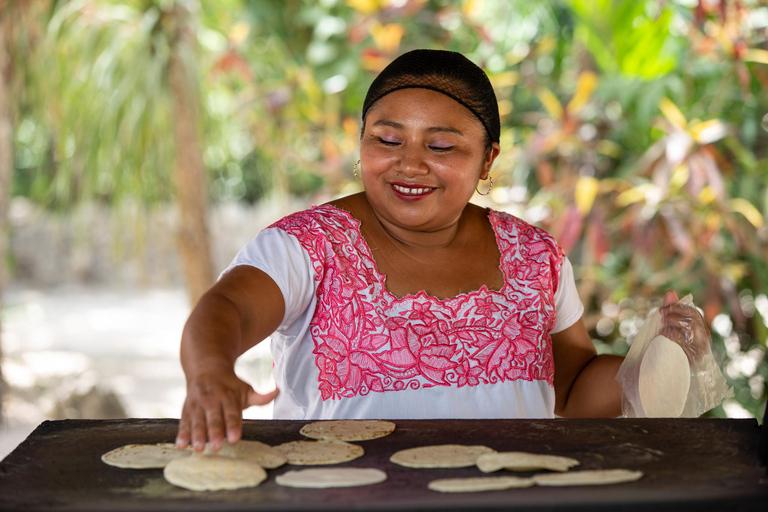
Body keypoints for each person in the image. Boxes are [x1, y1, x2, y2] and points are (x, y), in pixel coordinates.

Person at [175, 49, 709, 452]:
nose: (410, 164)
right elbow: (226, 308)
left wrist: (657, 359)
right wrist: (209, 372)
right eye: (387, 140)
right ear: (362, 144)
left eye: (441, 146)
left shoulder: (533, 256)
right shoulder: (307, 246)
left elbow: (567, 391)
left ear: (486, 159)